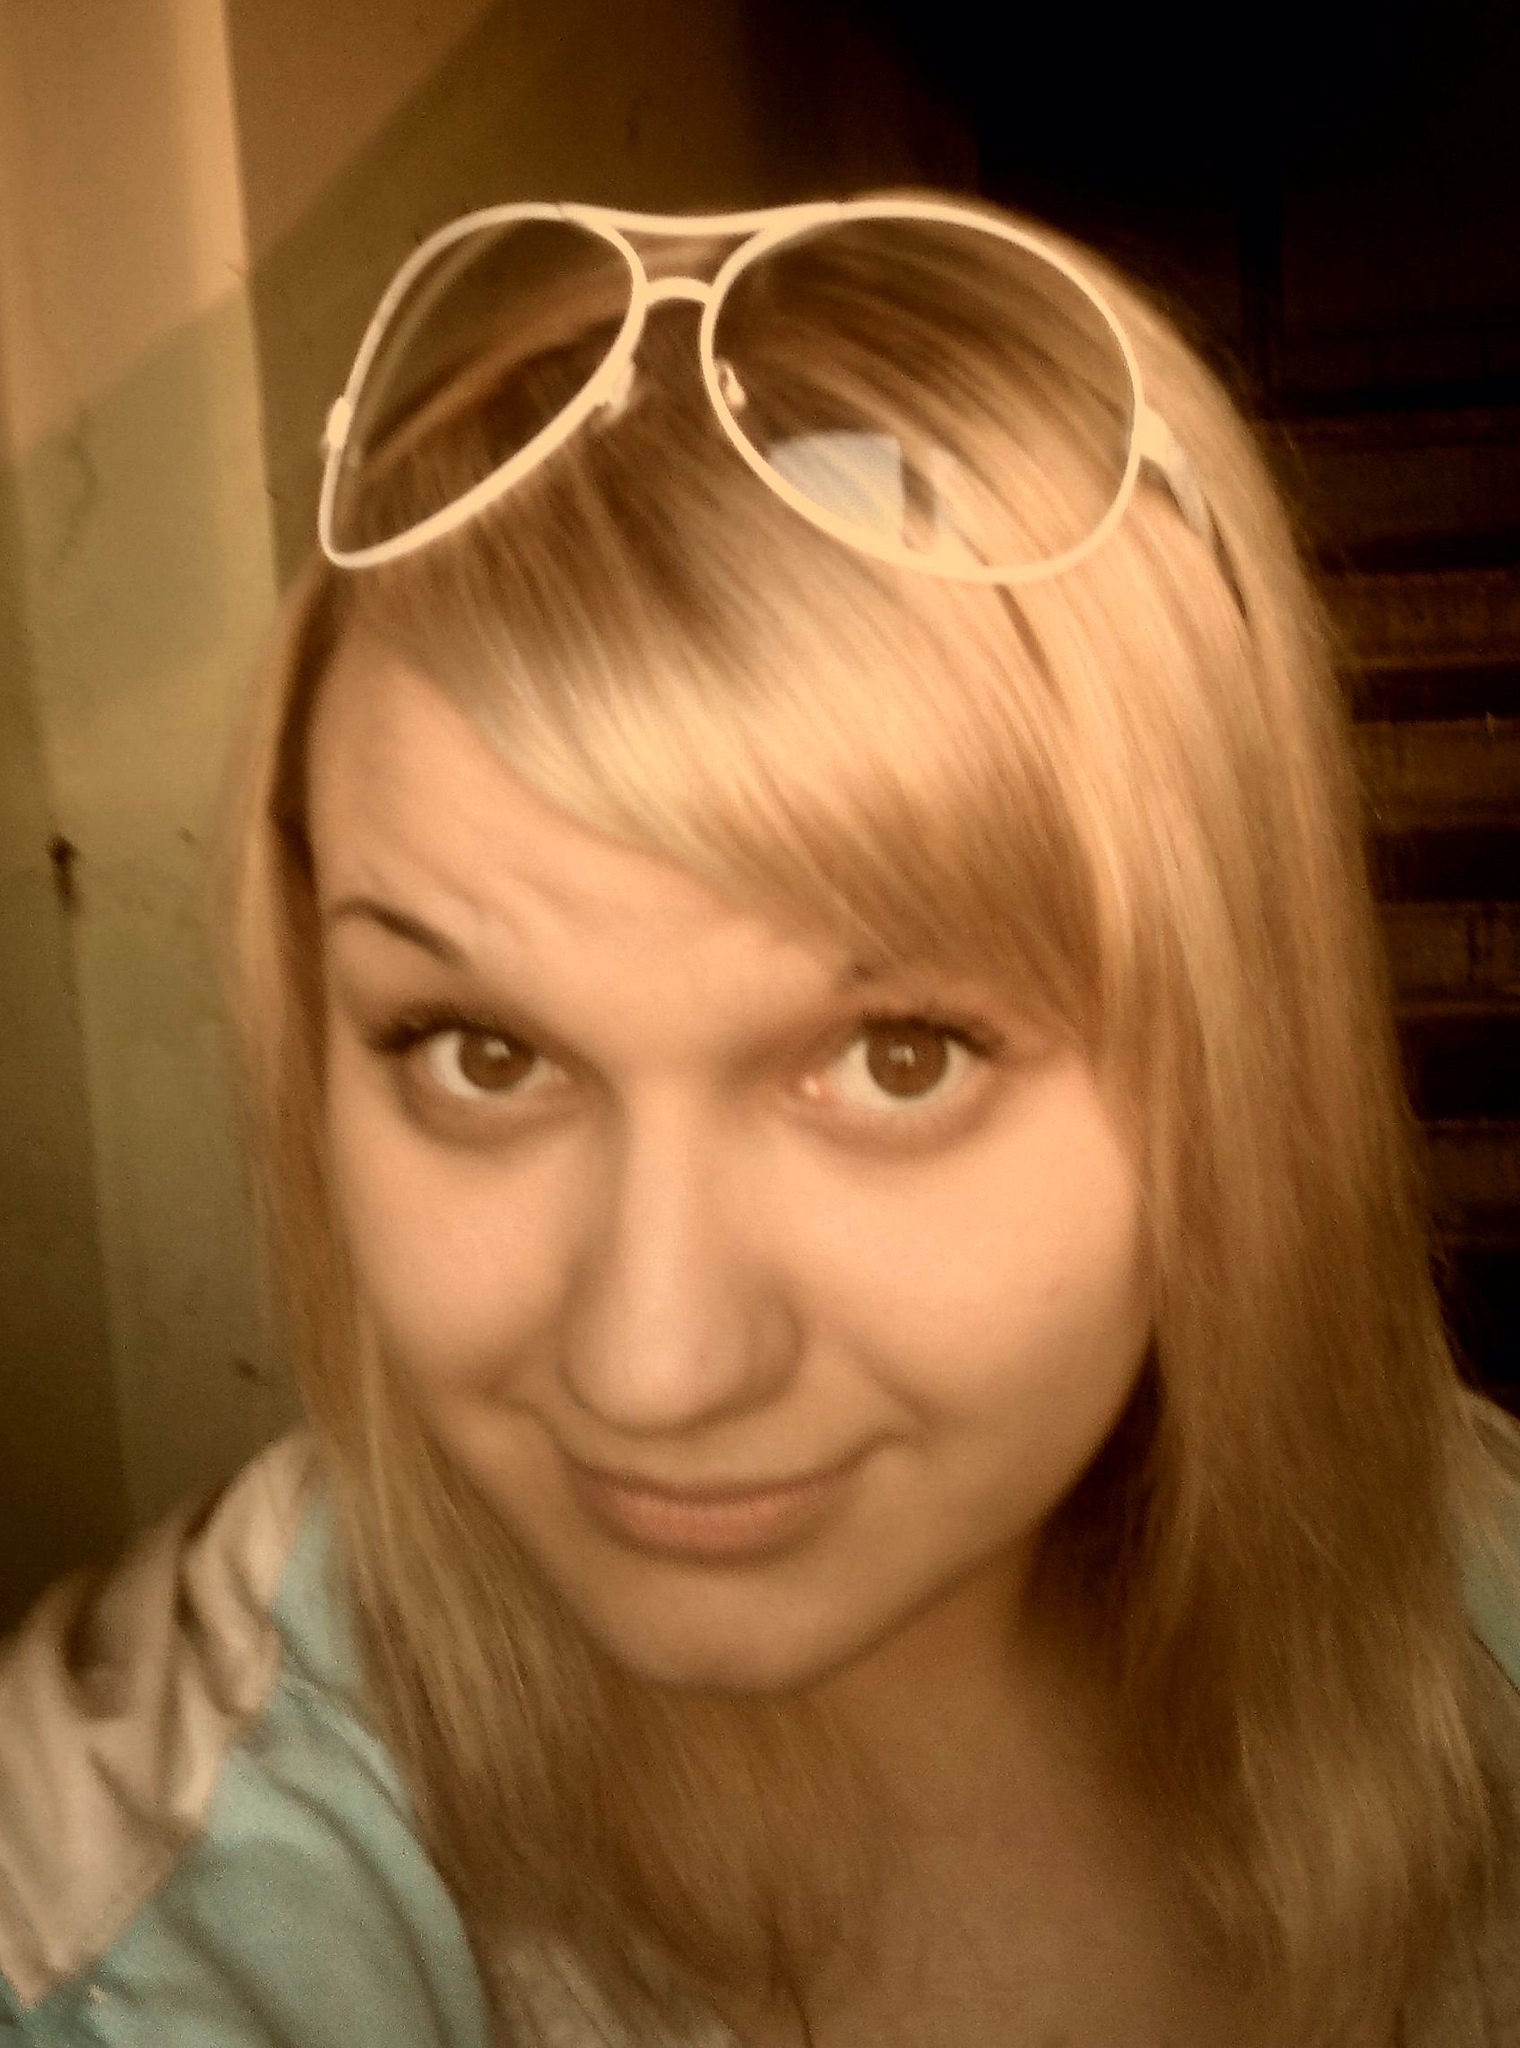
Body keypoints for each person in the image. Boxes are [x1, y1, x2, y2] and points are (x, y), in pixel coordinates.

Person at [1, 192, 1517, 2048]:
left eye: (898, 1058)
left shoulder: (1475, 1589)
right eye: (480, 1051)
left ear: (1233, 1069)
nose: (653, 1370)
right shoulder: (126, 1899)